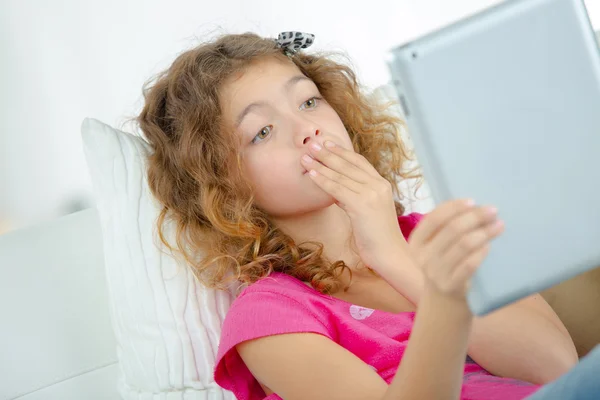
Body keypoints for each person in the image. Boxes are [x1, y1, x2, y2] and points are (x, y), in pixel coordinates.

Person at [136, 31, 599, 400]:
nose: (307, 129)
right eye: (262, 131)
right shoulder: (269, 314)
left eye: (309, 100)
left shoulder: (436, 236)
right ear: (223, 184)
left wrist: (394, 254)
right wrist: (442, 293)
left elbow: (554, 366)